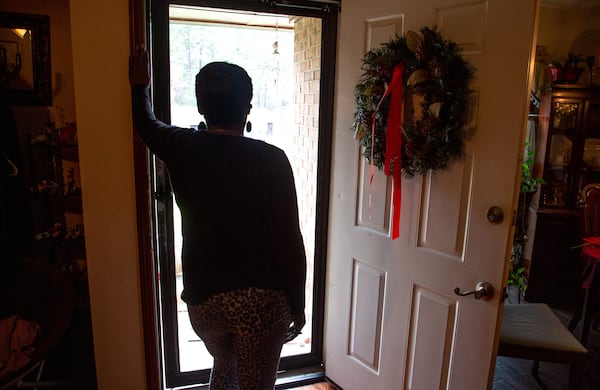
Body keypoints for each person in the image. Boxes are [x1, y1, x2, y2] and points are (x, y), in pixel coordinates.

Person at [129, 47, 306, 390]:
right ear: (248, 109)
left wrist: (140, 87)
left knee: (226, 363)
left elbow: (146, 124)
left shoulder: (181, 146)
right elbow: (289, 239)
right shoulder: (272, 160)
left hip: (204, 305)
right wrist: (297, 305)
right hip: (261, 304)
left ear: (200, 108)